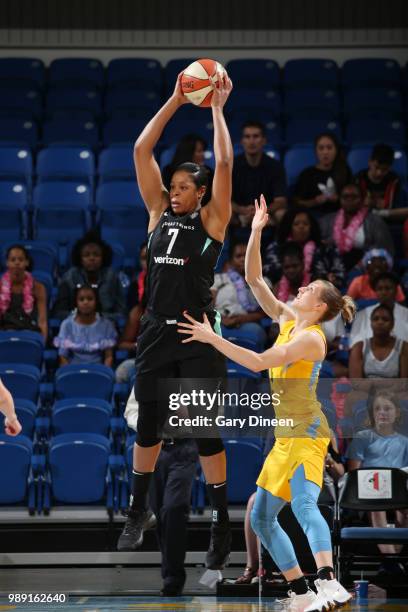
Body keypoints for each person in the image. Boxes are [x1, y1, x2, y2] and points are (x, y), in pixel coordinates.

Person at [178, 195, 355, 611]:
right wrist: (256, 230)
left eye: (308, 288)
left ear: (322, 306)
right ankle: (299, 590)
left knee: (304, 503)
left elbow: (257, 361)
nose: (300, 288)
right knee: (260, 516)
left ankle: (328, 581)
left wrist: (211, 338)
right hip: (284, 434)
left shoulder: (311, 338)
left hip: (307, 429)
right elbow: (255, 279)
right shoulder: (289, 321)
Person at [116, 68, 234, 572]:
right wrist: (173, 99)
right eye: (175, 186)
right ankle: (138, 510)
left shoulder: (212, 221)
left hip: (197, 333)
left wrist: (216, 110)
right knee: (148, 429)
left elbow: (225, 160)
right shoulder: (157, 213)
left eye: (185, 186)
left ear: (201, 193)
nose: (176, 191)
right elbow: (142, 151)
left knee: (205, 433)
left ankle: (223, 520)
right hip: (156, 331)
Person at [124, 387, 198, 596]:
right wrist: (148, 425)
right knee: (161, 513)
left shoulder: (196, 371)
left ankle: (174, 578)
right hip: (153, 447)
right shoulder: (148, 372)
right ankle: (170, 575)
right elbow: (131, 410)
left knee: (174, 508)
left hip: (185, 447)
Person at [346, 390, 408, 574]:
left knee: (405, 510)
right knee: (377, 504)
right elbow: (354, 473)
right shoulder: (363, 438)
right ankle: (393, 564)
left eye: (387, 408)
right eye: (378, 409)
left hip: (398, 492)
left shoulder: (405, 442)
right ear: (372, 413)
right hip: (368, 493)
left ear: (396, 412)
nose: (382, 412)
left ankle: (392, 563)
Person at [52, 230, 126, 323]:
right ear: (80, 258)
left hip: (107, 325)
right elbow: (59, 312)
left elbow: (121, 312)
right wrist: (82, 317)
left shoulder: (112, 276)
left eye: (96, 255)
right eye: (86, 255)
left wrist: (99, 318)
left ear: (103, 257)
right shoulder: (70, 277)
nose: (92, 258)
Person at [319, 183, 395, 271]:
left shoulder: (375, 221)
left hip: (364, 268)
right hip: (332, 266)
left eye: (354, 197)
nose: (349, 200)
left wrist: (363, 264)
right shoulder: (327, 220)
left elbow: (384, 250)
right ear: (340, 199)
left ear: (362, 199)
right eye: (345, 196)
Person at [263, 208, 345, 289]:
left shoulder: (325, 248)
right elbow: (269, 272)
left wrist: (332, 280)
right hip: (281, 292)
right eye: (296, 224)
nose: (301, 227)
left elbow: (339, 275)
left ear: (311, 227)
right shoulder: (276, 247)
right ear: (289, 226)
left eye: (305, 224)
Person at [213, 242, 268, 350]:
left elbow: (265, 313)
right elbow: (209, 303)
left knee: (256, 332)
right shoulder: (219, 278)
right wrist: (221, 319)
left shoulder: (262, 281)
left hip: (247, 322)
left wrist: (240, 319)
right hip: (220, 321)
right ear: (231, 260)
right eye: (238, 256)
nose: (243, 259)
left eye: (247, 255)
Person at [232, 121, 287, 228]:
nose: (251, 141)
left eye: (256, 136)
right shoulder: (232, 166)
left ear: (264, 141)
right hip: (240, 213)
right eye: (247, 137)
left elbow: (281, 201)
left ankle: (277, 244)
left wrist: (261, 212)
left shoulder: (276, 166)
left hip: (267, 213)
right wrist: (241, 210)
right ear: (242, 141)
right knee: (223, 213)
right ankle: (225, 245)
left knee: (282, 214)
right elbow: (224, 200)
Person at [54, 285, 117, 367]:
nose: (85, 302)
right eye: (81, 299)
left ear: (96, 301)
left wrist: (105, 374)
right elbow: (62, 356)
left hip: (98, 370)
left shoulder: (106, 325)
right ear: (76, 302)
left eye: (90, 299)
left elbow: (108, 357)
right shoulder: (66, 325)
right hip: (73, 370)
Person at [293, 133, 352, 217]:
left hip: (341, 216)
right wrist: (314, 202)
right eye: (321, 148)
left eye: (329, 148)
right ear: (316, 151)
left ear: (336, 150)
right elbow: (297, 202)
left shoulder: (345, 171)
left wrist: (339, 199)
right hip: (313, 218)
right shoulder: (307, 174)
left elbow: (353, 198)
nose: (325, 152)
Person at [348, 303, 408, 380]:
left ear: (392, 324)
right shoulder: (359, 347)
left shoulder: (404, 347)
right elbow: (356, 383)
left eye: (385, 319)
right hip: (366, 391)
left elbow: (404, 384)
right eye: (376, 319)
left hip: (395, 391)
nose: (380, 322)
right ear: (371, 323)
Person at [0, 245, 47, 340]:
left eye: (20, 260)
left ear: (27, 262)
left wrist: (42, 344)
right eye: (13, 260)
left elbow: (42, 320)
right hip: (5, 332)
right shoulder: (0, 286)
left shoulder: (38, 287)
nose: (17, 263)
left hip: (29, 331)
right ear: (7, 263)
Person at [349, 272, 408, 348]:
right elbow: (354, 343)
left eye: (388, 288)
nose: (384, 292)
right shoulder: (363, 315)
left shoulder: (406, 314)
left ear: (396, 290)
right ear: (375, 292)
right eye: (380, 289)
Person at [161, 133, 213, 206]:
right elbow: (168, 198)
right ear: (188, 153)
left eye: (203, 151)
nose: (203, 155)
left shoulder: (208, 172)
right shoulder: (169, 171)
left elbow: (210, 200)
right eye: (199, 151)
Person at [355, 143, 406, 212]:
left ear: (390, 167)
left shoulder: (394, 180)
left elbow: (393, 206)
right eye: (376, 167)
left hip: (386, 217)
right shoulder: (359, 178)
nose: (379, 173)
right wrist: (363, 203)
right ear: (370, 162)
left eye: (385, 169)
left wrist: (385, 205)